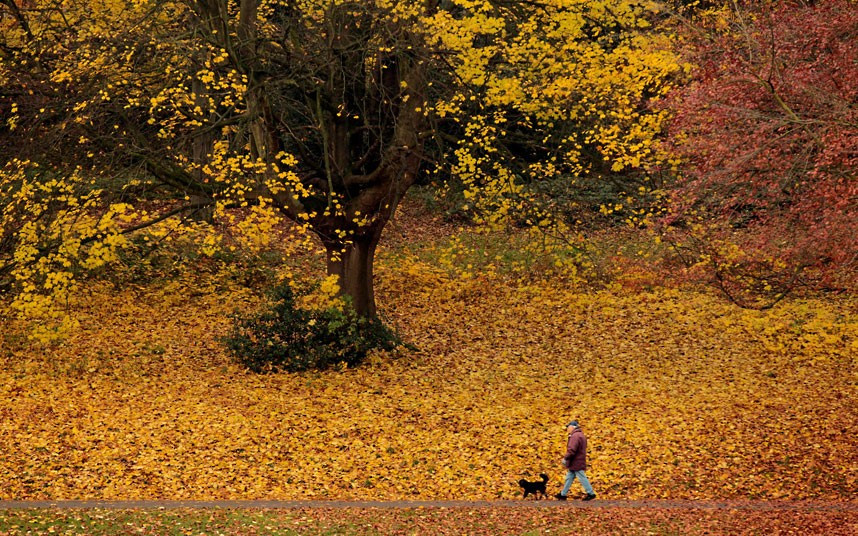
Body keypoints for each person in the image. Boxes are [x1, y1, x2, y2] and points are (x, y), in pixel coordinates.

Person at [555, 420, 596, 501]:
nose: (567, 429)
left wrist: (565, 458)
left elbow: (572, 450)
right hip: (578, 460)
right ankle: (563, 494)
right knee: (569, 477)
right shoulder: (580, 435)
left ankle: (591, 493)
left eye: (568, 427)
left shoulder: (575, 436)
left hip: (576, 461)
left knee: (581, 477)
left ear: (572, 427)